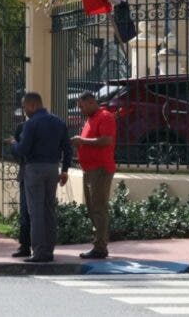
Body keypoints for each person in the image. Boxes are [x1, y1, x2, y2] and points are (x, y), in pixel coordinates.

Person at [8, 92, 72, 263]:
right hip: (53, 169)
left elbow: (23, 150)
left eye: (24, 107)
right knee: (49, 210)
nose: (24, 111)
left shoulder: (31, 124)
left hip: (34, 168)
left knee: (36, 212)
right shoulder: (58, 122)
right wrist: (64, 169)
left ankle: (38, 252)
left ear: (32, 105)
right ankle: (49, 250)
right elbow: (68, 148)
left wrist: (14, 145)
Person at [70, 91, 117, 259]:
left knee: (98, 208)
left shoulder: (105, 117)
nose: (80, 110)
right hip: (90, 169)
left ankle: (100, 247)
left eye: (82, 106)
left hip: (100, 169)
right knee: (92, 208)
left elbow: (106, 140)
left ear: (90, 102)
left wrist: (82, 142)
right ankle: (98, 243)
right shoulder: (91, 118)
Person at [11, 121, 31, 258]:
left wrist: (14, 144)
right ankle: (26, 245)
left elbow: (18, 151)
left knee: (26, 211)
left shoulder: (25, 127)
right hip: (29, 172)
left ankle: (26, 246)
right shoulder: (22, 126)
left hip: (29, 172)